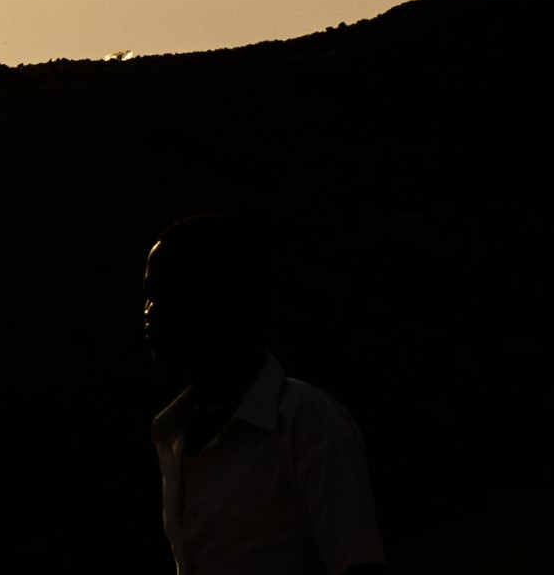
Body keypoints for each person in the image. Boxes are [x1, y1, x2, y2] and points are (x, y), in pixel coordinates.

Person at [144, 215, 385, 575]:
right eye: (149, 296)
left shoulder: (307, 423)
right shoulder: (176, 434)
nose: (150, 312)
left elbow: (357, 562)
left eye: (167, 293)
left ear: (217, 299)